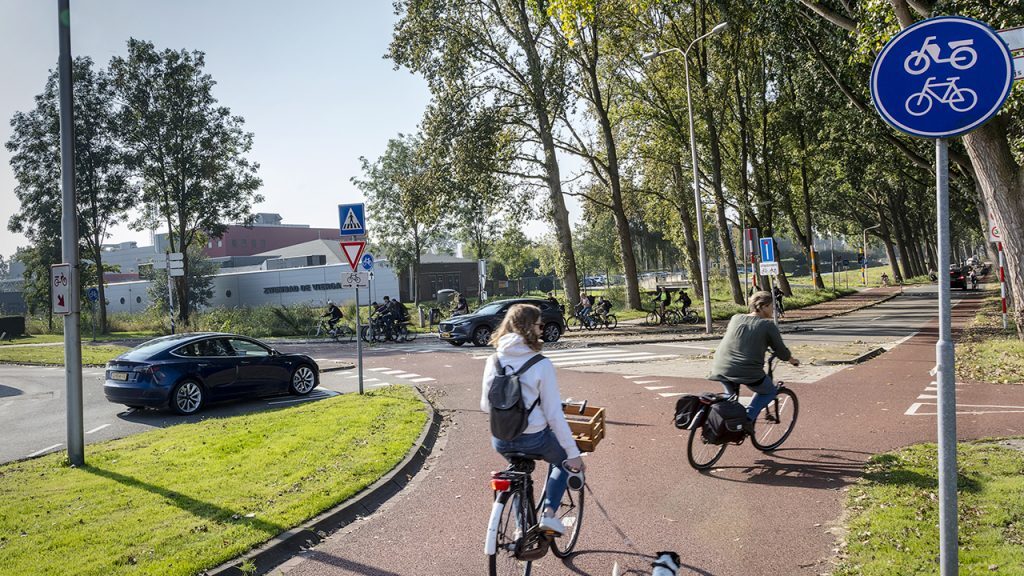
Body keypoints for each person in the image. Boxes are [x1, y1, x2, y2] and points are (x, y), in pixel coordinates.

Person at [480, 304, 585, 535]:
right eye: (539, 325)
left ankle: (520, 529)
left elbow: (485, 405)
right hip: (535, 439)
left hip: (501, 439)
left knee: (517, 474)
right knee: (562, 461)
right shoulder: (541, 364)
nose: (542, 330)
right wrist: (573, 454)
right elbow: (553, 414)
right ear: (529, 327)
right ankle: (548, 514)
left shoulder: (494, 360)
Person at [708, 291, 800, 429]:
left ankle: (724, 424)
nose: (773, 309)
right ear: (762, 307)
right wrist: (792, 360)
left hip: (720, 366)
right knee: (769, 390)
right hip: (746, 371)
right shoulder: (767, 326)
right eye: (771, 306)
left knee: (730, 399)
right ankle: (747, 420)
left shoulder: (736, 318)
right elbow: (781, 351)